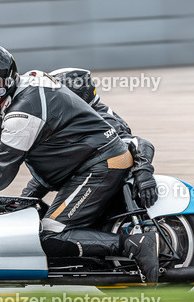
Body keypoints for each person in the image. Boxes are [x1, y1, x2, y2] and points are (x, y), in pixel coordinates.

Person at [0, 40, 158, 283]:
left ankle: (135, 245)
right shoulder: (22, 88)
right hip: (75, 169)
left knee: (48, 236)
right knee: (22, 218)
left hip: (98, 164)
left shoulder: (22, 112)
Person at [22, 68, 158, 211]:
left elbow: (139, 143)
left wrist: (144, 175)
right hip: (91, 182)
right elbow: (62, 165)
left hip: (109, 186)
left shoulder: (101, 120)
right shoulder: (75, 121)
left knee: (56, 227)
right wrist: (25, 199)